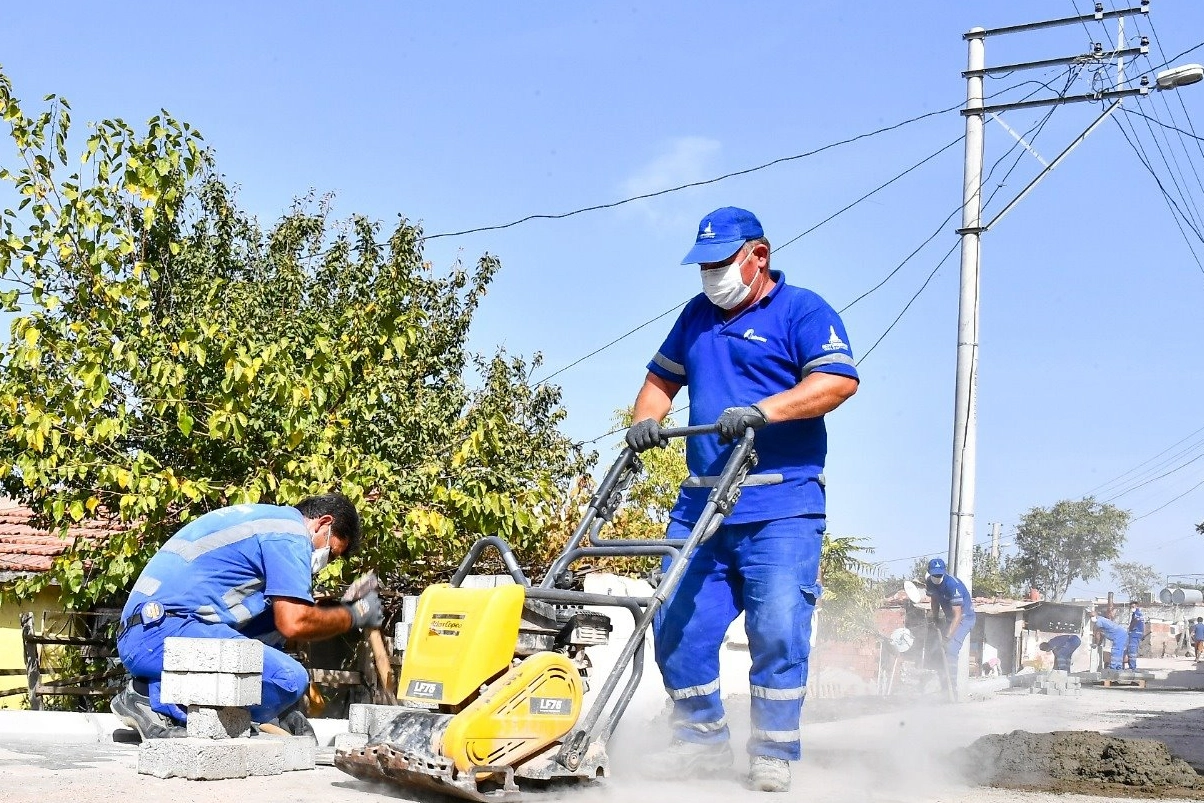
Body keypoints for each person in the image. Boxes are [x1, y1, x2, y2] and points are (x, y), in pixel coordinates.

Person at [624, 207, 858, 793]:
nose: (711, 274)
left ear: (759, 255)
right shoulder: (696, 317)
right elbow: (659, 381)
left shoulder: (802, 310)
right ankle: (698, 745)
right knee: (675, 624)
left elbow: (837, 381)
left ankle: (773, 751)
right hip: (700, 508)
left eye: (722, 262)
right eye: (703, 264)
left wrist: (764, 411)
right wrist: (646, 422)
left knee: (778, 626)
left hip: (781, 507)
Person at [111, 493, 382, 740]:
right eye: (331, 553)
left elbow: (281, 620)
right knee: (289, 679)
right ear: (323, 523)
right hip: (158, 633)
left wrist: (342, 605)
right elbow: (295, 621)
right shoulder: (289, 535)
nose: (326, 561)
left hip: (150, 628)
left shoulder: (268, 522)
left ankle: (276, 713)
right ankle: (151, 698)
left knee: (271, 618)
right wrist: (355, 614)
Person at [924, 558, 976, 691]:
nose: (936, 577)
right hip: (949, 619)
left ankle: (952, 691)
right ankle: (944, 688)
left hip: (964, 619)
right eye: (934, 575)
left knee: (951, 649)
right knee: (937, 651)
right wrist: (935, 617)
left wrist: (947, 637)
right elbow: (934, 599)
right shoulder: (930, 582)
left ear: (944, 572)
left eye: (939, 575)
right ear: (929, 573)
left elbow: (957, 616)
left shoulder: (953, 585)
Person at [1125, 605, 1145, 670]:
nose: (1131, 608)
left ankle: (1132, 667)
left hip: (1134, 634)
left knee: (1132, 651)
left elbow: (1134, 622)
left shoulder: (1136, 614)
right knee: (1133, 651)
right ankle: (1132, 666)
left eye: (1132, 607)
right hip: (1137, 634)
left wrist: (1130, 629)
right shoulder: (1141, 614)